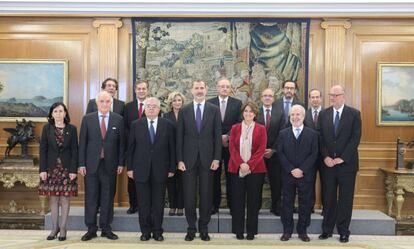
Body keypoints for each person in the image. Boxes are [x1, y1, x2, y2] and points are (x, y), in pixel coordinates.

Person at [176, 79, 222, 241]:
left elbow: (217, 136)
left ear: (206, 89)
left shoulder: (214, 110)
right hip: (187, 160)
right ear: (192, 90)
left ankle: (203, 228)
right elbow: (179, 137)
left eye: (202, 88)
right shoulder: (184, 110)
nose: (200, 90)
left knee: (206, 195)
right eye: (197, 88)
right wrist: (179, 159)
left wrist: (217, 158)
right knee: (189, 195)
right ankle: (190, 228)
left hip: (208, 159)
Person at [127, 97, 176, 242]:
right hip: (140, 170)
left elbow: (172, 148)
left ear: (159, 109)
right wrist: (130, 168)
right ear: (145, 109)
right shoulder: (136, 124)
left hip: (161, 170)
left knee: (158, 204)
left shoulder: (167, 124)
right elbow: (131, 149)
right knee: (143, 204)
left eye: (154, 106)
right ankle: (145, 232)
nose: (151, 108)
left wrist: (172, 167)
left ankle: (157, 231)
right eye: (148, 106)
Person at [78, 91, 125, 241]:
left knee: (107, 197)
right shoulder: (87, 119)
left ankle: (106, 228)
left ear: (111, 103)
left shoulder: (118, 119)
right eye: (102, 101)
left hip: (110, 165)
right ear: (96, 103)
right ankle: (91, 228)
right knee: (91, 197)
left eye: (107, 102)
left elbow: (121, 145)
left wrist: (121, 163)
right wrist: (81, 164)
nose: (105, 104)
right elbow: (82, 143)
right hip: (91, 165)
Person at [318, 85, 361, 243]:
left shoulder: (354, 114)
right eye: (331, 95)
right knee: (328, 198)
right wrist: (326, 157)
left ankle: (343, 231)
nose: (332, 98)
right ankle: (327, 229)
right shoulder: (324, 114)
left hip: (347, 165)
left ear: (343, 96)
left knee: (345, 199)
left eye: (335, 95)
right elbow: (320, 138)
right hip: (328, 165)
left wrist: (343, 157)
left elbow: (355, 138)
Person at [277, 105, 318, 242]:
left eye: (298, 114)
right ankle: (287, 231)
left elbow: (314, 154)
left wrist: (302, 169)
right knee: (287, 203)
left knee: (305, 203)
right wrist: (291, 169)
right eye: (292, 115)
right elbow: (280, 153)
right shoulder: (283, 133)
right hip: (288, 174)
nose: (295, 117)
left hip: (305, 174)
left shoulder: (312, 134)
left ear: (303, 116)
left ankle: (302, 231)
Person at [39, 102, 78, 241]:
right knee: (53, 199)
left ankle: (63, 229)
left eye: (61, 111)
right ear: (51, 114)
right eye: (55, 111)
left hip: (67, 170)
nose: (58, 114)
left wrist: (74, 170)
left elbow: (75, 151)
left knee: (65, 199)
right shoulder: (46, 128)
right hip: (51, 170)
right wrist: (42, 169)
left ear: (65, 113)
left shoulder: (72, 129)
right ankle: (54, 228)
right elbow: (42, 149)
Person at [228, 101, 266, 241]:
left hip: (256, 170)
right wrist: (241, 164)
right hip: (236, 169)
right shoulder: (235, 128)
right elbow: (232, 148)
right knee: (237, 201)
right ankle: (238, 231)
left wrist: (249, 165)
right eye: (246, 111)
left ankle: (251, 232)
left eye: (251, 111)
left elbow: (261, 149)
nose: (248, 113)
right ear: (242, 113)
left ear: (255, 114)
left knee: (253, 201)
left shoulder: (261, 129)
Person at [207, 77, 242, 214]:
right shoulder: (209, 103)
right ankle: (213, 205)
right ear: (217, 88)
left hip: (230, 145)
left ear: (231, 88)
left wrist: (227, 136)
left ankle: (232, 205)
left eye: (227, 86)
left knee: (231, 176)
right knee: (213, 176)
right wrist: (218, 137)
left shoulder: (237, 103)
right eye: (222, 86)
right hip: (212, 146)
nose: (225, 89)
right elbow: (207, 124)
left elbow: (239, 123)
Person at [256, 88, 284, 216]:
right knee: (256, 182)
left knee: (276, 182)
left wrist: (273, 149)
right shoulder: (255, 112)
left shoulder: (280, 113)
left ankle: (276, 206)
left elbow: (282, 133)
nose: (267, 98)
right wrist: (260, 150)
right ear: (261, 97)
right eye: (265, 95)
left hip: (274, 154)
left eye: (270, 96)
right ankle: (255, 207)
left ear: (274, 98)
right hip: (257, 155)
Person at [124, 80, 150, 214]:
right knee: (132, 178)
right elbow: (125, 127)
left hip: (149, 149)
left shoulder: (153, 106)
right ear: (135, 90)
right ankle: (133, 205)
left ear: (148, 90)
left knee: (147, 178)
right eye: (139, 89)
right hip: (132, 148)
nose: (141, 91)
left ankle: (146, 205)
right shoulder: (128, 107)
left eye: (144, 89)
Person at [164, 91, 186, 217]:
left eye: (179, 100)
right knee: (171, 181)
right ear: (171, 103)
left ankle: (181, 206)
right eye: (174, 100)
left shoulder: (187, 114)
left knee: (183, 182)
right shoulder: (166, 116)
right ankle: (172, 206)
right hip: (169, 153)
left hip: (184, 153)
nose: (177, 102)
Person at [304, 88, 324, 214]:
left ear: (321, 99)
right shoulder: (304, 114)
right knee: (309, 182)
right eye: (312, 97)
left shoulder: (327, 114)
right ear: (310, 99)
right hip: (309, 155)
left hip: (324, 155)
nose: (315, 99)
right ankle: (309, 207)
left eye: (317, 97)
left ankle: (325, 207)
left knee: (326, 182)